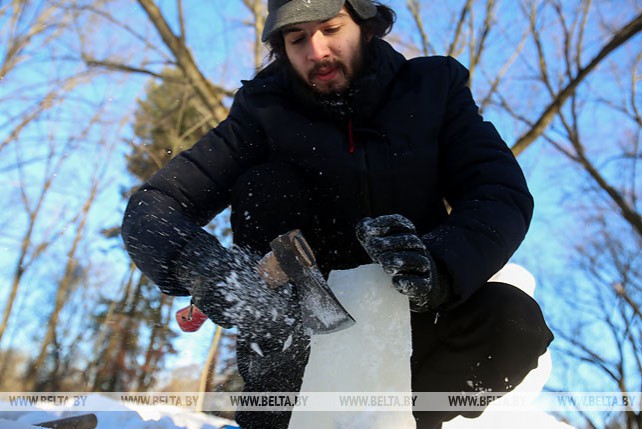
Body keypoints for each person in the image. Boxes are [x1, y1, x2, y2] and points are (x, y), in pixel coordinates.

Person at [121, 1, 554, 428]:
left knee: (513, 322)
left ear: (365, 24)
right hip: (297, 337)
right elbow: (154, 206)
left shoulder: (434, 88)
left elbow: (498, 191)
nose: (317, 51)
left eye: (330, 28)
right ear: (281, 46)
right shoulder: (261, 110)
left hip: (409, 324)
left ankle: (400, 424)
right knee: (265, 184)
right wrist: (212, 274)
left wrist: (440, 264)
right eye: (296, 38)